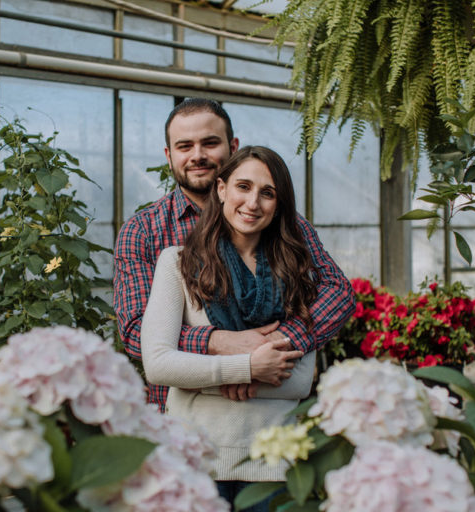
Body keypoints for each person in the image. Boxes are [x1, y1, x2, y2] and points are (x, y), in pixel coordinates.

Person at [113, 98, 355, 412]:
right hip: (180, 418)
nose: (197, 155)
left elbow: (338, 292)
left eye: (210, 143)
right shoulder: (145, 231)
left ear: (233, 145)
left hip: (270, 417)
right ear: (168, 155)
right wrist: (224, 344)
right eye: (184, 146)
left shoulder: (283, 228)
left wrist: (278, 342)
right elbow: (135, 329)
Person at [141, 146, 318, 507]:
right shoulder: (177, 263)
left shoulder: (298, 270)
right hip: (196, 459)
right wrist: (249, 368)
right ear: (221, 190)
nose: (252, 203)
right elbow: (158, 364)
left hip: (274, 465)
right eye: (243, 187)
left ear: (279, 204)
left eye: (267, 193)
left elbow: (300, 380)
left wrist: (201, 378)